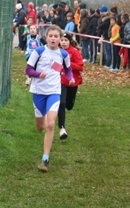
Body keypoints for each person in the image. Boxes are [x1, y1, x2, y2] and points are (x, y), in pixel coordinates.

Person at [25, 25, 74, 172]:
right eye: (51, 36)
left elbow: (68, 69)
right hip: (38, 92)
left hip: (54, 91)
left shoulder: (63, 54)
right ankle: (43, 121)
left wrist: (70, 78)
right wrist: (38, 74)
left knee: (51, 124)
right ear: (46, 37)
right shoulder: (39, 51)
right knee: (41, 127)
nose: (53, 38)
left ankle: (45, 159)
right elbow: (28, 69)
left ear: (60, 38)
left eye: (56, 36)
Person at [58, 32, 83, 139]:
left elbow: (80, 67)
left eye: (66, 40)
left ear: (70, 41)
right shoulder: (57, 51)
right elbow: (54, 66)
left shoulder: (74, 52)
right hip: (61, 81)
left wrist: (68, 64)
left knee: (69, 105)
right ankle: (62, 129)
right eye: (62, 40)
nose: (63, 42)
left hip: (73, 82)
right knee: (61, 103)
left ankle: (70, 103)